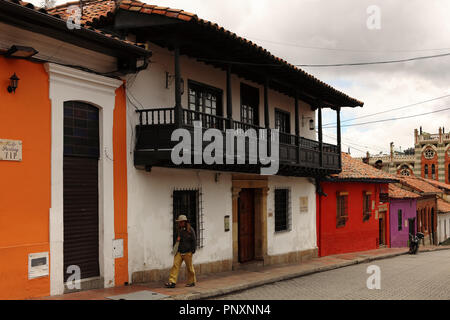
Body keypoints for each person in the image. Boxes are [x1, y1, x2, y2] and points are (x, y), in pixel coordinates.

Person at [165, 215, 197, 288]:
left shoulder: (190, 230)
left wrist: (192, 251)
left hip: (187, 252)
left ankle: (191, 282)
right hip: (179, 252)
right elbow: (177, 241)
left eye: (181, 222)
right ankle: (172, 282)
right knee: (175, 266)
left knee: (189, 268)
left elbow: (194, 240)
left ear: (185, 222)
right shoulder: (179, 230)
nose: (180, 223)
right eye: (179, 222)